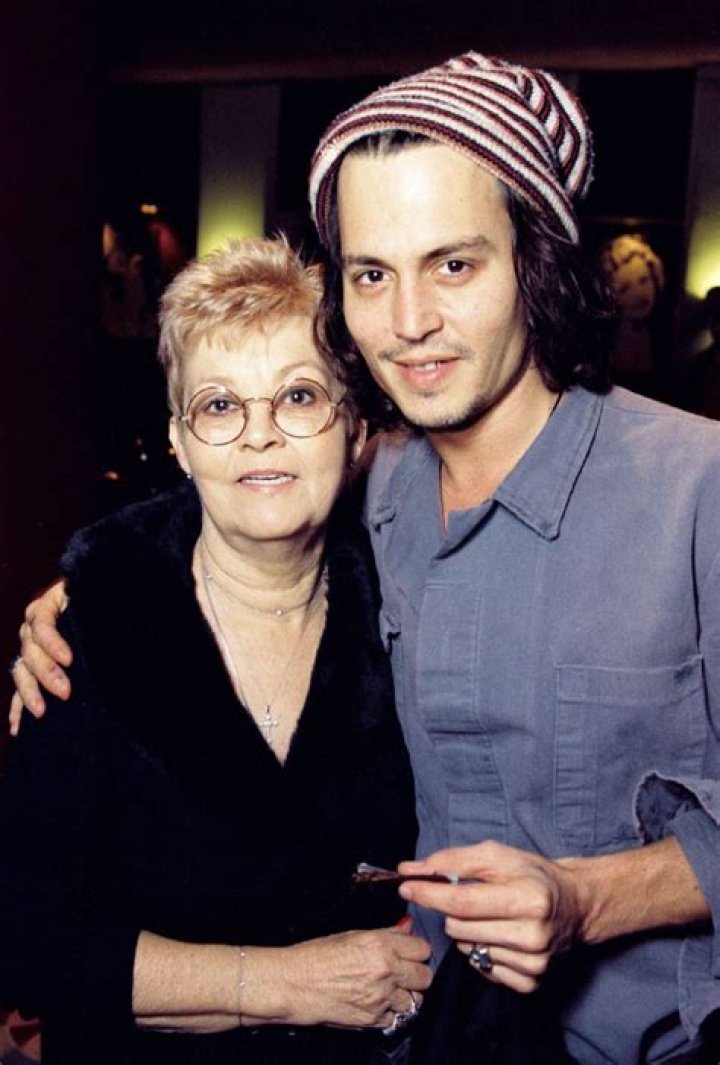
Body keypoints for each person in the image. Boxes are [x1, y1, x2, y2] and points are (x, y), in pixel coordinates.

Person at [11, 53, 720, 1063]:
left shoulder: (698, 490)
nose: (409, 321)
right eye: (372, 275)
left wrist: (590, 898)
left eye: (454, 265)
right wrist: (85, 594)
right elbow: (247, 482)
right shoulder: (378, 488)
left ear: (537, 260)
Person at [0, 236, 431, 1065]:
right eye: (221, 405)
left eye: (299, 395)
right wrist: (283, 982)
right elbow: (24, 934)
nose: (259, 434)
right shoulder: (90, 634)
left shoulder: (410, 609)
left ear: (354, 428)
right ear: (180, 441)